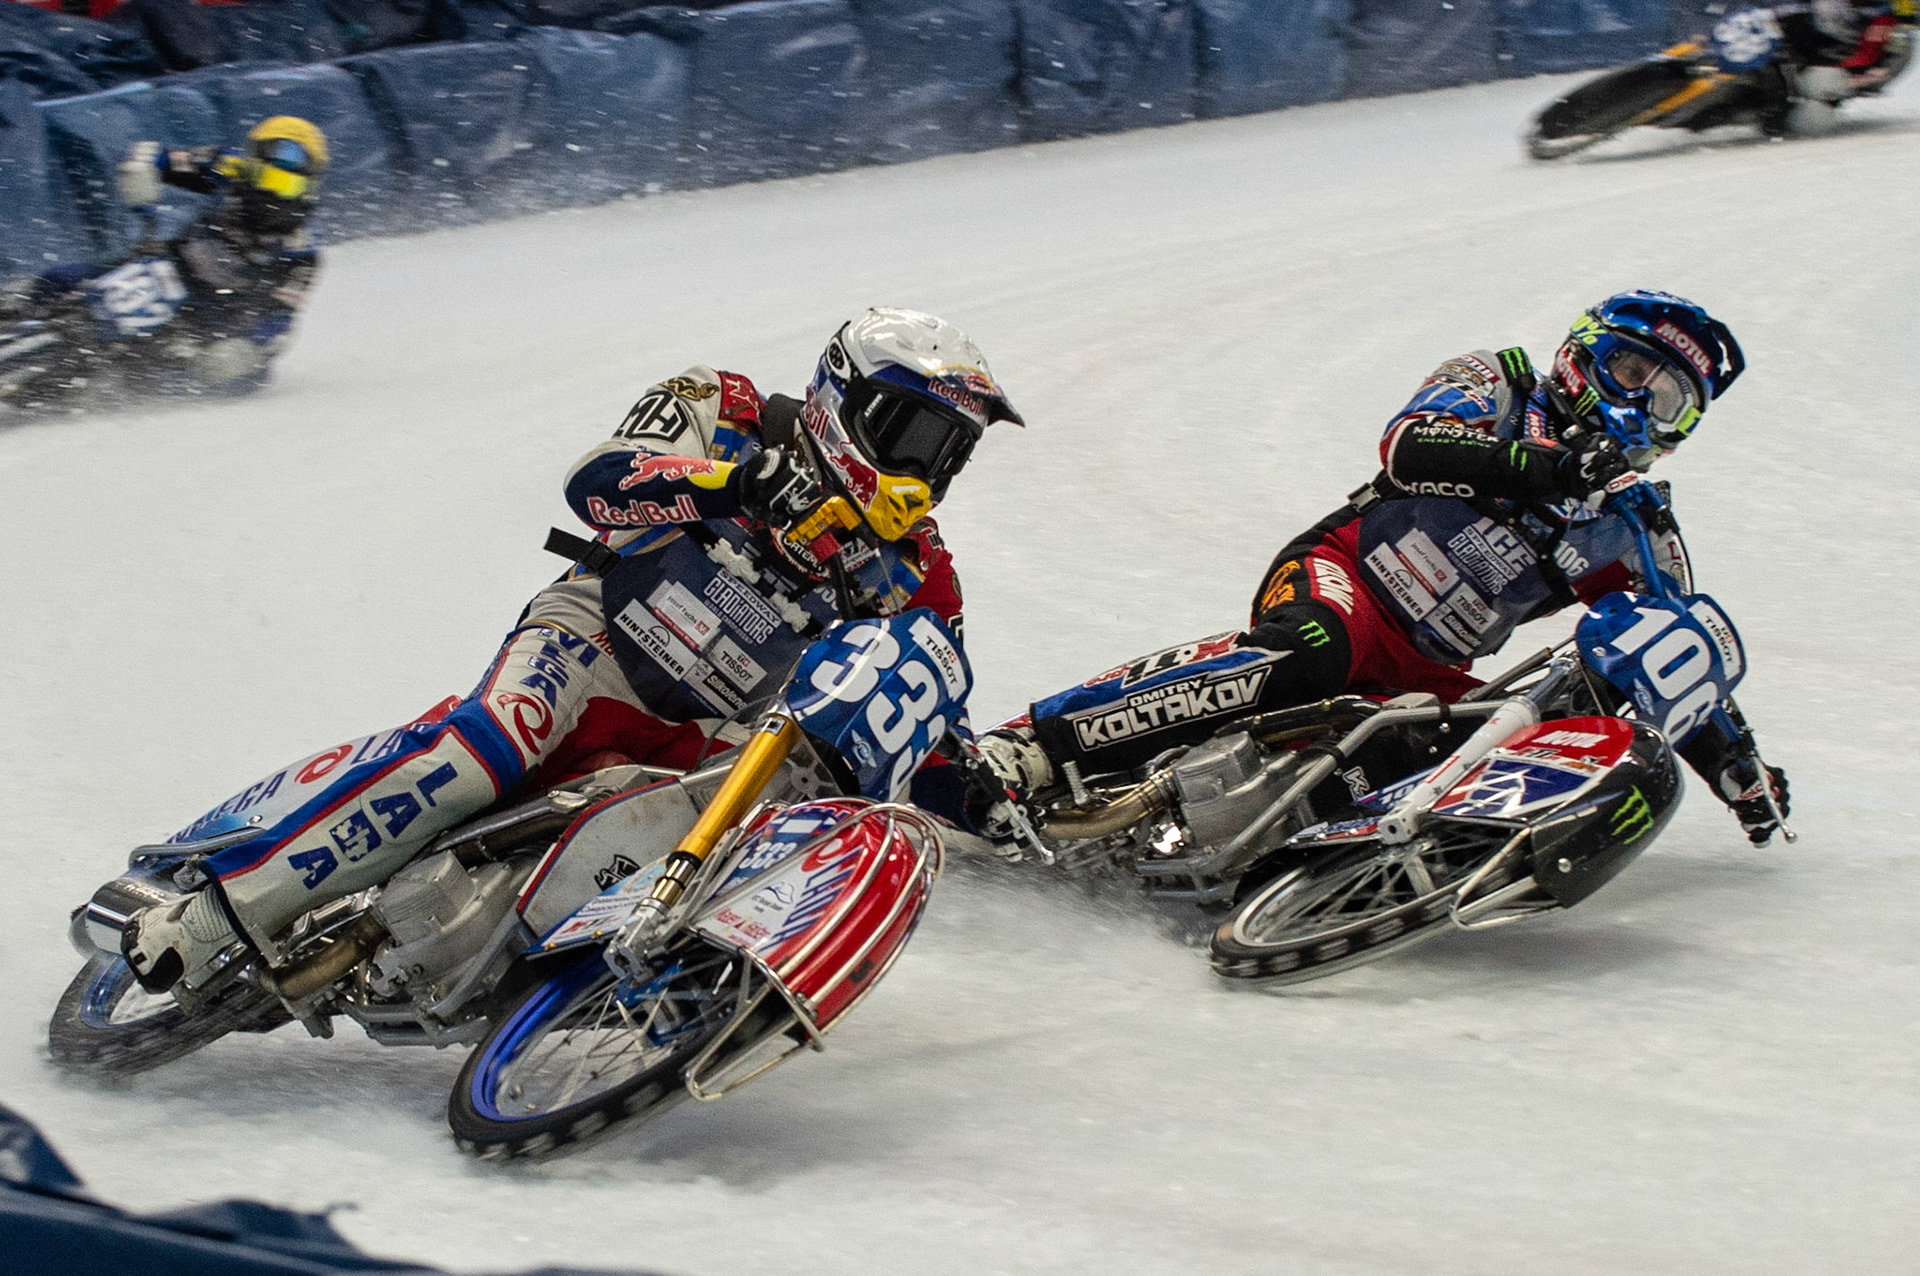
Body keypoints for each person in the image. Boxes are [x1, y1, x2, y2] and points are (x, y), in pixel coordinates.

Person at [122, 307, 1021, 997]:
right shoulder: (728, 408)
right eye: (914, 435)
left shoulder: (921, 572)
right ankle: (217, 912)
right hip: (593, 639)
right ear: (844, 399)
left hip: (712, 738)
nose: (926, 470)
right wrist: (734, 484)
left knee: (740, 844)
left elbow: (910, 703)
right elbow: (599, 484)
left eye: (950, 453)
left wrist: (974, 794)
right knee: (486, 750)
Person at [974, 290, 1789, 849]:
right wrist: (1548, 468)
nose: (1642, 403)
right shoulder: (1500, 382)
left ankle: (1304, 852)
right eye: (1633, 372)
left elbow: (1662, 648)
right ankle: (1032, 747)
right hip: (1345, 578)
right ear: (1582, 356)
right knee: (1311, 653)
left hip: (1431, 668)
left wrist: (1736, 767)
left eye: (1670, 399)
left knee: (1485, 744)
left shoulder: (1629, 522)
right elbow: (1409, 449)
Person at [0, 116, 325, 403]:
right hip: (168, 264)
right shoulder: (227, 167)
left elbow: (281, 318)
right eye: (266, 178)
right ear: (251, 164)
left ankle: (86, 385)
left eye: (288, 184)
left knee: (240, 377)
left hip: (212, 320)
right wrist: (142, 169)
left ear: (309, 187)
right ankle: (12, 306)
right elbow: (156, 156)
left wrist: (248, 347)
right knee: (59, 279)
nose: (274, 193)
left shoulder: (302, 252)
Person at [1710, 0, 1915, 132]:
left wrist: (1846, 79)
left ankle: (1751, 111)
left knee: (1811, 107)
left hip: (1820, 73)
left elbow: (1871, 61)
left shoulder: (1886, 22)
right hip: (1780, 44)